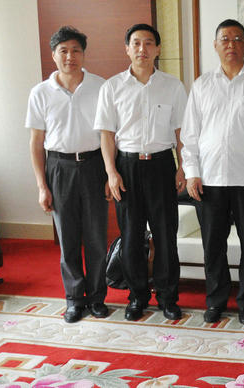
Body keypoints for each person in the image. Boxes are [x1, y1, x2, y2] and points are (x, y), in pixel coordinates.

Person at [94, 23, 188, 321]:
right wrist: (111, 172)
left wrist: (183, 167)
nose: (142, 49)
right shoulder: (112, 87)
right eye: (136, 43)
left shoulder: (173, 86)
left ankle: (168, 297)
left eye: (148, 43)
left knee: (165, 235)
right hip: (127, 167)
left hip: (162, 166)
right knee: (131, 236)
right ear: (127, 49)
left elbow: (181, 132)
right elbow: (107, 135)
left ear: (157, 49)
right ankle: (137, 297)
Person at [180, 19, 244, 325]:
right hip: (210, 180)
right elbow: (190, 135)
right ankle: (216, 300)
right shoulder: (202, 85)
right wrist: (192, 172)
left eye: (237, 39)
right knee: (213, 246)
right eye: (225, 39)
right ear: (215, 45)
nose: (231, 44)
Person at [26, 26, 110, 323]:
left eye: (76, 50)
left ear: (84, 54)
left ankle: (97, 297)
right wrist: (42, 186)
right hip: (59, 167)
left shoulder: (101, 87)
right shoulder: (40, 92)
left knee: (97, 237)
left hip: (94, 165)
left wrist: (110, 174)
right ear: (54, 55)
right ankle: (74, 299)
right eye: (63, 51)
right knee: (68, 238)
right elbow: (36, 142)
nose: (70, 56)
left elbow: (109, 135)